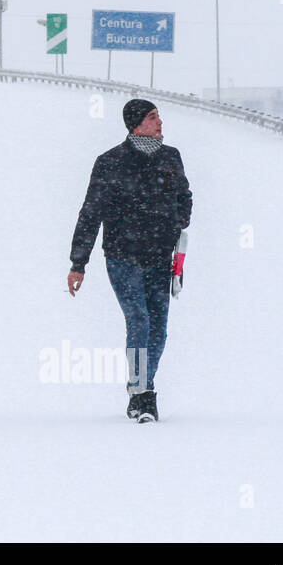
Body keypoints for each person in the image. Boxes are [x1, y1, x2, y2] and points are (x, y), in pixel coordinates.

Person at [67, 99, 192, 423]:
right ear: (137, 124)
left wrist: (178, 220)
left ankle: (140, 384)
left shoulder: (170, 157)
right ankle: (143, 394)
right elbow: (91, 212)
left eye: (158, 115)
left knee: (159, 330)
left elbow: (185, 196)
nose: (160, 121)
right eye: (153, 117)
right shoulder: (110, 162)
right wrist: (78, 263)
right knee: (139, 320)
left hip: (159, 256)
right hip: (122, 256)